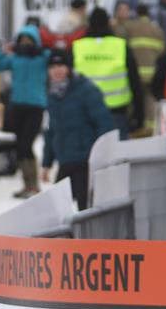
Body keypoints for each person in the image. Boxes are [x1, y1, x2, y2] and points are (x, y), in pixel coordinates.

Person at [41, 50, 116, 210]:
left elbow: (104, 123)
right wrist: (46, 163)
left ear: (69, 68)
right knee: (57, 208)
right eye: (53, 66)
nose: (57, 70)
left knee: (85, 207)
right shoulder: (51, 94)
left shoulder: (86, 90)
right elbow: (50, 130)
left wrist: (103, 156)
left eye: (61, 65)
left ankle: (85, 235)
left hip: (86, 161)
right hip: (65, 160)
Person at [0, 25, 49, 197]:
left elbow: (55, 57)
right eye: (22, 41)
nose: (25, 44)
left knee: (26, 144)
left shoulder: (42, 58)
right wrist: (3, 52)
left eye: (29, 41)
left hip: (36, 106)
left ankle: (33, 185)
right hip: (17, 106)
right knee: (20, 146)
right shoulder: (15, 58)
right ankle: (27, 184)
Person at [73, 8, 145, 138]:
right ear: (108, 23)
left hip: (84, 113)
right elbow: (135, 82)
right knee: (117, 156)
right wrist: (139, 115)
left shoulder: (77, 47)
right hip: (116, 113)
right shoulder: (121, 46)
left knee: (88, 156)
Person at [114, 3, 165, 134]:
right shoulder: (157, 30)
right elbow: (162, 52)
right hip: (151, 72)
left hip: (135, 73)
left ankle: (135, 128)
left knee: (133, 100)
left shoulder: (130, 27)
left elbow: (118, 37)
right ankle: (151, 129)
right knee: (150, 100)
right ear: (148, 14)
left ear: (136, 13)